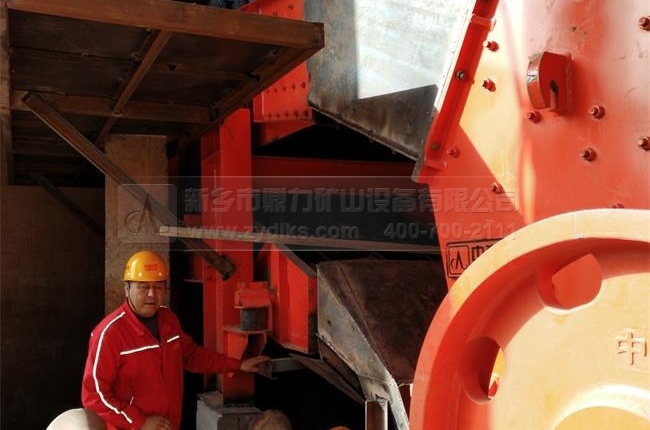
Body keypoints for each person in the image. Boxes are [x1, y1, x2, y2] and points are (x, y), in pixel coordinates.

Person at [81, 250, 269, 430]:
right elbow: (94, 396)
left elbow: (192, 356)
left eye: (158, 286)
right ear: (126, 288)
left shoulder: (168, 319)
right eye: (143, 287)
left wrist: (238, 365)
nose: (151, 294)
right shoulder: (109, 334)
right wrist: (139, 422)